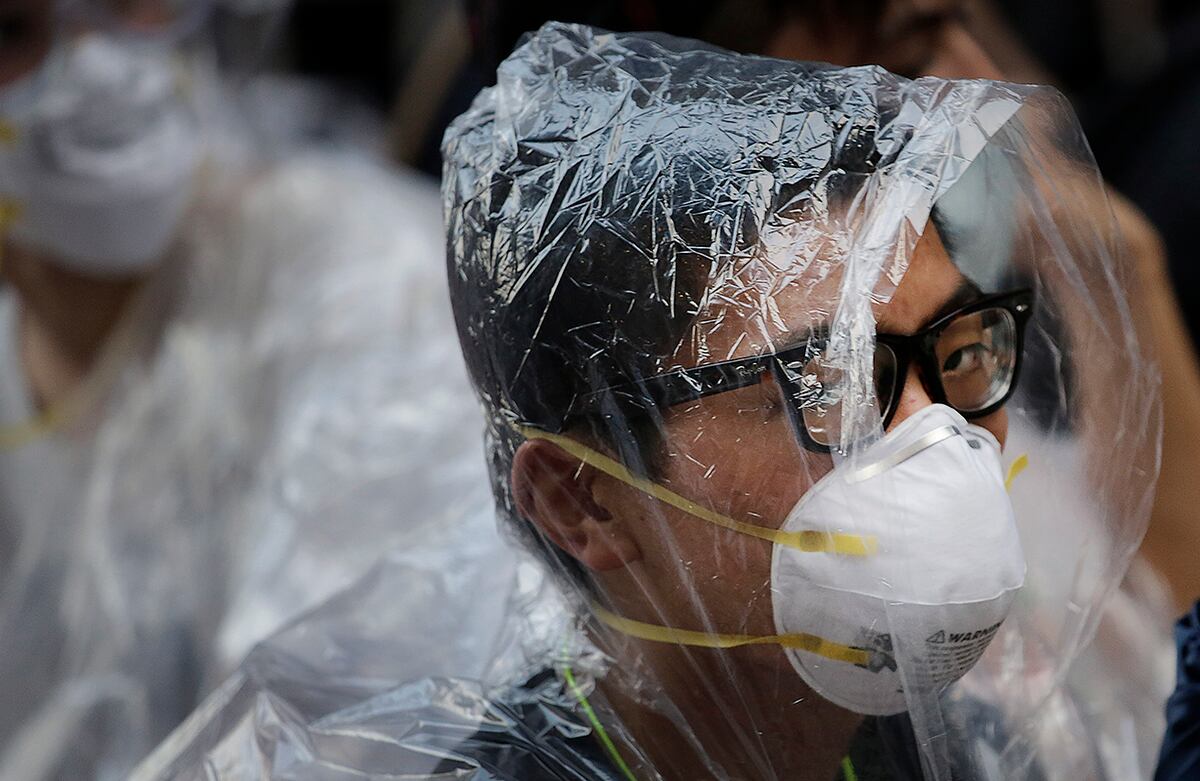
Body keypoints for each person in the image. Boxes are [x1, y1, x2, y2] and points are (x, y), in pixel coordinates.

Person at [137, 21, 1159, 780]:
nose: (937, 436)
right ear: (583, 500)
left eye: (960, 349)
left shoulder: (954, 745)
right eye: (827, 384)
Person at [0, 2, 520, 778]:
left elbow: (370, 729)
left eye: (123, 4)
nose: (98, 67)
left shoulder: (367, 286)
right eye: (12, 32)